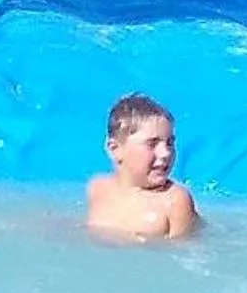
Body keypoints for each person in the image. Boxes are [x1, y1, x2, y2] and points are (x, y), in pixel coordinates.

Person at [85, 92, 201, 240]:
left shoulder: (175, 202)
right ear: (115, 149)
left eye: (170, 143)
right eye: (152, 144)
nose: (166, 153)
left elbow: (187, 250)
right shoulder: (98, 188)